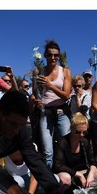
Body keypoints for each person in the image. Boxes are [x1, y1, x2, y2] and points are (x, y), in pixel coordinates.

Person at [32, 40, 72, 169]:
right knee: (47, 151)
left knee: (65, 147)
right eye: (49, 55)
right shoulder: (39, 72)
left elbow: (66, 95)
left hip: (62, 114)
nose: (53, 58)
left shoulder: (65, 72)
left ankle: (66, 178)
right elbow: (35, 92)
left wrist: (50, 85)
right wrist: (36, 99)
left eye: (56, 55)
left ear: (59, 57)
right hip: (45, 114)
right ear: (45, 56)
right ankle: (48, 181)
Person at [53, 112, 97, 193]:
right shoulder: (62, 142)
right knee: (66, 178)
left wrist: (91, 174)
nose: (81, 135)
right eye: (78, 132)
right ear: (71, 128)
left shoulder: (85, 141)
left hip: (82, 172)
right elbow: (58, 165)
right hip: (68, 173)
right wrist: (78, 174)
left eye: (84, 132)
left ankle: (90, 193)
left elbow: (93, 161)